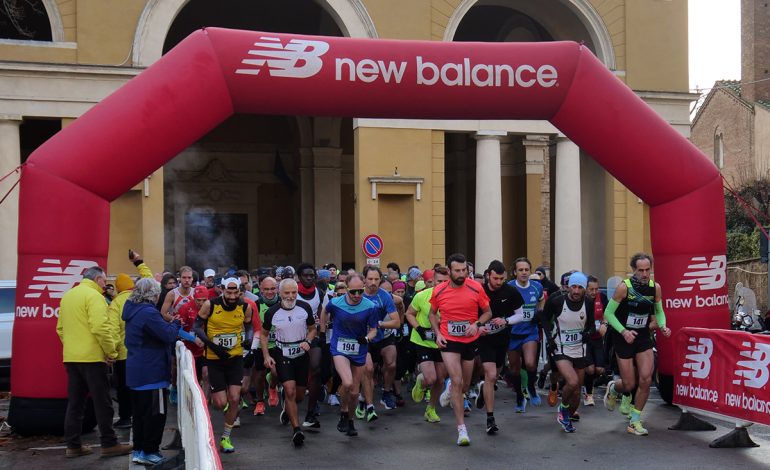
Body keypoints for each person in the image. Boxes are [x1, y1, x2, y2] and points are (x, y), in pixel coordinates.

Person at [56, 266, 132, 459]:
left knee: (75, 404)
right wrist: (111, 352)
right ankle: (109, 443)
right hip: (93, 359)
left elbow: (60, 329)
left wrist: (73, 346)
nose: (104, 286)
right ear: (98, 279)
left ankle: (73, 445)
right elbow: (101, 327)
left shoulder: (68, 296)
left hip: (72, 358)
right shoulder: (94, 296)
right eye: (104, 282)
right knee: (103, 402)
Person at [603, 253, 671, 436]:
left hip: (642, 337)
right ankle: (613, 388)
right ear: (634, 269)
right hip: (623, 336)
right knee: (628, 384)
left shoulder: (655, 288)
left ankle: (635, 420)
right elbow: (608, 314)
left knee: (646, 379)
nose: (644, 273)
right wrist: (624, 332)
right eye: (640, 270)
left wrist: (663, 326)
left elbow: (659, 311)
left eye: (647, 270)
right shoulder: (624, 288)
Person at [429, 254, 492, 446]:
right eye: (457, 270)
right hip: (449, 340)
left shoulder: (476, 287)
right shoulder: (439, 290)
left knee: (464, 386)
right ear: (449, 271)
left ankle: (451, 389)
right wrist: (438, 334)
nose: (462, 274)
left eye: (464, 270)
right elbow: (432, 314)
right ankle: (462, 429)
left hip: (469, 340)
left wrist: (477, 324)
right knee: (457, 380)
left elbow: (488, 312)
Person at [122, 278, 183, 465]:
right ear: (154, 295)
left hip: (136, 371)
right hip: (152, 373)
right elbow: (168, 335)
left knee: (139, 415)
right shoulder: (148, 313)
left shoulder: (132, 309)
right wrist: (176, 323)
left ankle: (139, 450)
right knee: (155, 415)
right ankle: (150, 451)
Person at [194, 277, 254, 453]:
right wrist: (211, 345)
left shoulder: (245, 306)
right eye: (229, 292)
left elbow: (248, 325)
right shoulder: (210, 305)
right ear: (222, 290)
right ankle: (225, 407)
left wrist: (248, 338)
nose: (233, 296)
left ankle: (225, 437)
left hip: (235, 358)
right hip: (214, 359)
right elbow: (197, 327)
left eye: (236, 292)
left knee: (235, 397)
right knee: (219, 403)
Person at [319, 273, 379, 437]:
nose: (357, 295)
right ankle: (343, 412)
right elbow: (324, 312)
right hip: (339, 347)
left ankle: (349, 419)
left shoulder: (369, 306)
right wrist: (323, 332)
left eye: (360, 291)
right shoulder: (336, 303)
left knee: (354, 392)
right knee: (347, 382)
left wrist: (367, 338)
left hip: (359, 349)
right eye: (353, 292)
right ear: (346, 288)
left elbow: (374, 329)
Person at [261, 278, 317, 447]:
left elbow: (313, 329)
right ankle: (296, 430)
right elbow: (263, 334)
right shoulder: (272, 312)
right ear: (280, 293)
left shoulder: (304, 308)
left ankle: (287, 408)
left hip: (301, 354)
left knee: (299, 395)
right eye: (287, 293)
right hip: (282, 353)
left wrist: (308, 340)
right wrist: (266, 356)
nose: (291, 296)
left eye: (294, 292)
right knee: (290, 391)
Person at [541, 272, 595, 433]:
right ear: (568, 287)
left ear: (584, 289)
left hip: (579, 348)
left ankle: (566, 415)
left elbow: (591, 325)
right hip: (561, 347)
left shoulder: (588, 303)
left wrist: (589, 333)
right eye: (574, 286)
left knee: (577, 390)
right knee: (572, 382)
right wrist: (549, 336)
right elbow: (543, 317)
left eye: (580, 287)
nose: (576, 291)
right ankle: (563, 408)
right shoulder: (557, 301)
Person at [476, 260, 525, 434]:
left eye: (501, 279)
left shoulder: (510, 292)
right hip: (484, 338)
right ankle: (490, 418)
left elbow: (521, 315)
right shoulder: (478, 290)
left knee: (495, 375)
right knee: (490, 375)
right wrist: (478, 326)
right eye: (495, 278)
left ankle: (484, 390)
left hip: (502, 338)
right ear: (488, 275)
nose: (498, 282)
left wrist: (506, 321)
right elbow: (468, 312)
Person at [107, 249, 154, 429]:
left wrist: (111, 353)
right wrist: (138, 262)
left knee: (124, 388)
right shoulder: (141, 296)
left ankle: (126, 417)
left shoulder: (116, 304)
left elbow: (112, 331)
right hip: (144, 350)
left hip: (124, 354)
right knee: (142, 386)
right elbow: (148, 277)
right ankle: (143, 416)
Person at [407, 267, 449, 423]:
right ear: (433, 281)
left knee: (440, 380)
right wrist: (418, 328)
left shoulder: (452, 298)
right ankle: (421, 382)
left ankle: (431, 409)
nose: (442, 285)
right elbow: (409, 314)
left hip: (442, 342)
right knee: (431, 378)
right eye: (439, 281)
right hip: (423, 341)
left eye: (446, 282)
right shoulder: (422, 296)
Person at [358, 266, 400, 418]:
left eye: (376, 279)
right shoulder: (358, 295)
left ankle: (386, 393)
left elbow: (396, 322)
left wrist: (379, 324)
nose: (373, 282)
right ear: (364, 279)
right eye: (370, 279)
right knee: (369, 370)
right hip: (365, 339)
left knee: (391, 363)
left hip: (383, 336)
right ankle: (364, 400)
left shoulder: (384, 296)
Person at [507, 258, 545, 412]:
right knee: (515, 370)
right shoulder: (509, 287)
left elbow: (542, 300)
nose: (523, 272)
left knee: (530, 363)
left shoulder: (537, 287)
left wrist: (540, 312)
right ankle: (519, 396)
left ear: (530, 271)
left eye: (526, 270)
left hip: (530, 332)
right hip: (512, 333)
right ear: (515, 272)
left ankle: (531, 387)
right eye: (520, 270)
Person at [295, 263, 329, 429]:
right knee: (297, 376)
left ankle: (311, 411)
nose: (309, 278)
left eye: (311, 275)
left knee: (316, 368)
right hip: (293, 337)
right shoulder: (292, 292)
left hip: (313, 335)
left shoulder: (319, 292)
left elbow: (322, 313)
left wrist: (322, 333)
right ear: (299, 277)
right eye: (305, 275)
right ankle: (289, 403)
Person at [583, 275, 609, 406]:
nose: (594, 292)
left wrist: (605, 324)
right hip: (585, 339)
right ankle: (588, 394)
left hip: (598, 338)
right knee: (590, 369)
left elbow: (607, 313)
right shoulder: (581, 300)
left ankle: (586, 384)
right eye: (591, 289)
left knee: (599, 369)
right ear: (585, 289)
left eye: (596, 289)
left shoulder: (602, 298)